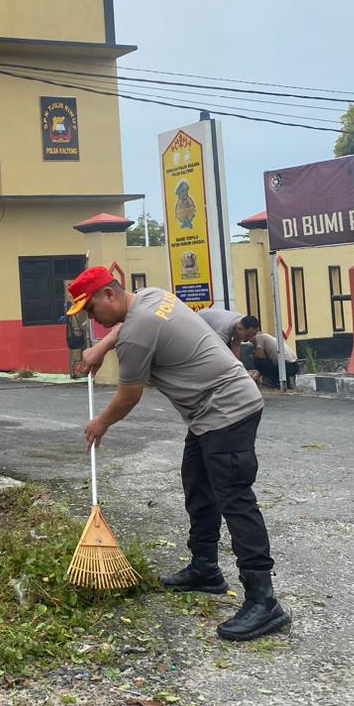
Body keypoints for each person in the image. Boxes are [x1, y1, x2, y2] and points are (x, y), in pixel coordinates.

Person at [67, 266, 290, 642]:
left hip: (227, 411)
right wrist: (102, 347)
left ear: (109, 294)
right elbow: (124, 328)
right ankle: (206, 569)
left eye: (91, 310)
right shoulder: (151, 296)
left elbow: (129, 395)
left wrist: (100, 423)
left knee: (235, 499)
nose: (92, 320)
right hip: (209, 415)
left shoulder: (137, 332)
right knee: (198, 486)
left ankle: (264, 601)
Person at [234, 315, 300, 389]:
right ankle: (283, 382)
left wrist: (254, 355)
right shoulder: (266, 337)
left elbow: (260, 356)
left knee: (258, 361)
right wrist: (256, 376)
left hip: (287, 366)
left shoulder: (259, 337)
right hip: (294, 365)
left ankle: (276, 382)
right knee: (264, 362)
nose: (249, 340)